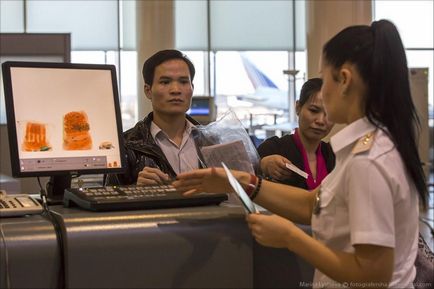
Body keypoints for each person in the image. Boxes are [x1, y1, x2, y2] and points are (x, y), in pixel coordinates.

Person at [173, 19, 428, 288]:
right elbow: (313, 205)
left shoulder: (369, 161)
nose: (323, 94)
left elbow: (373, 275)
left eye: (324, 76)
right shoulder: (371, 146)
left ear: (343, 80)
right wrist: (240, 181)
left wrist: (291, 238)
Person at [108, 49, 201, 186]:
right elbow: (108, 199)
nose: (176, 89)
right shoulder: (125, 146)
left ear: (192, 87)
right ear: (148, 90)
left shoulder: (211, 141)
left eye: (183, 82)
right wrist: (136, 191)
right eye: (165, 82)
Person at [258, 78, 335, 189]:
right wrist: (263, 165)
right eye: (313, 110)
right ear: (298, 107)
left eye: (329, 114)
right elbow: (242, 177)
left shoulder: (333, 156)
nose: (321, 121)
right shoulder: (273, 148)